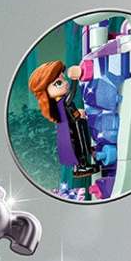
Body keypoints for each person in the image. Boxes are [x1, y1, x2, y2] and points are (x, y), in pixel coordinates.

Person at [27, 59, 103, 199]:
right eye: (58, 83)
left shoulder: (60, 105)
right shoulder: (61, 102)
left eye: (63, 79)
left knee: (82, 144)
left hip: (76, 126)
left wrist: (78, 113)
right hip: (74, 130)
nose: (64, 83)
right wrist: (74, 79)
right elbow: (71, 95)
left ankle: (85, 161)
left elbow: (70, 112)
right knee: (79, 147)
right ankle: (82, 166)